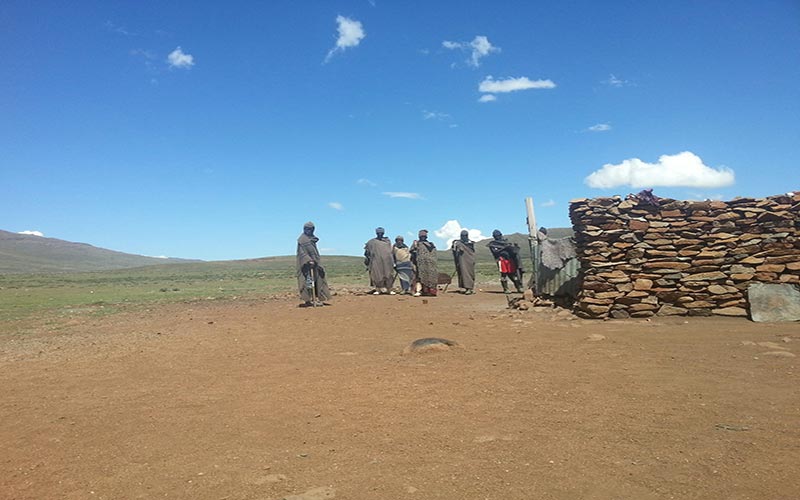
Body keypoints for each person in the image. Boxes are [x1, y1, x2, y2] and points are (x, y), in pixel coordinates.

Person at [296, 221, 331, 307]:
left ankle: (318, 298)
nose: (309, 231)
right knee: (308, 282)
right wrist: (308, 260)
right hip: (306, 266)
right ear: (304, 229)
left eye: (311, 229)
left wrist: (315, 261)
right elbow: (302, 253)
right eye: (308, 229)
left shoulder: (311, 239)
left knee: (318, 280)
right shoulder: (302, 240)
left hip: (315, 264)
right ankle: (309, 300)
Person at [488, 229, 524, 294]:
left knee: (513, 274)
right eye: (496, 236)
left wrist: (514, 247)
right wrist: (505, 248)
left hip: (510, 260)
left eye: (499, 235)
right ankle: (506, 289)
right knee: (503, 274)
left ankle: (518, 287)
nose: (498, 237)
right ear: (494, 236)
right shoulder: (493, 244)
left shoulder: (506, 242)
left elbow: (513, 251)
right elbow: (495, 252)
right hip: (501, 260)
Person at [364, 227, 395, 295]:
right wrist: (368, 259)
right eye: (378, 233)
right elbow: (367, 252)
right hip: (376, 261)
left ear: (383, 233)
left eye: (381, 233)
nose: (380, 234)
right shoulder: (372, 242)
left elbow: (390, 251)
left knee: (388, 274)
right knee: (377, 275)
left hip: (387, 262)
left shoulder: (387, 241)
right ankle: (378, 289)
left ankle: (389, 289)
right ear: (376, 233)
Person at [410, 229, 438, 297]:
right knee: (420, 277)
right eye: (421, 236)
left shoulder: (431, 245)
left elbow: (433, 254)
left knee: (428, 277)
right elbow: (411, 251)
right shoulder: (416, 243)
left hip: (429, 265)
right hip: (419, 264)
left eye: (424, 236)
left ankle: (428, 291)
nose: (422, 237)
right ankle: (419, 290)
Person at [451, 229, 476, 295]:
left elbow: (472, 251)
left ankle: (471, 288)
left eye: (465, 235)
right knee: (464, 273)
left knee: (471, 273)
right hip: (463, 261)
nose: (464, 237)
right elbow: (456, 249)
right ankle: (467, 288)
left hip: (470, 260)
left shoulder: (470, 243)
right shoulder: (458, 243)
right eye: (462, 236)